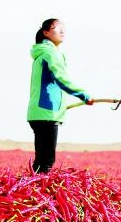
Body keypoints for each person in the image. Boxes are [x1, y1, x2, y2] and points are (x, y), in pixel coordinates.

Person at [27, 18, 92, 173]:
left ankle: (35, 184)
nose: (62, 31)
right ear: (46, 33)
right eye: (57, 28)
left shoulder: (43, 52)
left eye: (64, 28)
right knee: (46, 160)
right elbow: (61, 78)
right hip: (46, 111)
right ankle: (39, 186)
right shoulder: (50, 53)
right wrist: (83, 95)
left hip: (40, 112)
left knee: (42, 159)